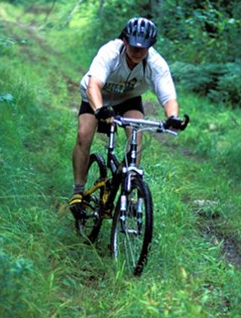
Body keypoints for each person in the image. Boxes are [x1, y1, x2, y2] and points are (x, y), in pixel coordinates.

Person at [69, 17, 181, 217]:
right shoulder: (110, 52)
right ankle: (78, 190)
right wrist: (100, 110)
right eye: (134, 47)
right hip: (97, 96)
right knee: (84, 135)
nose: (138, 52)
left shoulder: (155, 63)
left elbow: (169, 96)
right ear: (125, 40)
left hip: (128, 99)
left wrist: (172, 117)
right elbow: (94, 85)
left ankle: (127, 186)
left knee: (136, 139)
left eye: (143, 48)